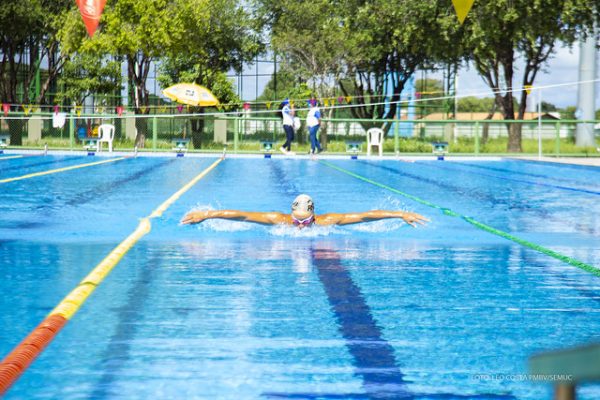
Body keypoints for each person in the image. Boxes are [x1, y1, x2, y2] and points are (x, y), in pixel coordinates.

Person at [181, 194, 428, 230]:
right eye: (297, 220)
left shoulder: (325, 222)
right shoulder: (279, 220)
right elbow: (241, 214)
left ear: (313, 216)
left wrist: (399, 214)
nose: (300, 226)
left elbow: (366, 215)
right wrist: (208, 214)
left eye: (305, 221)